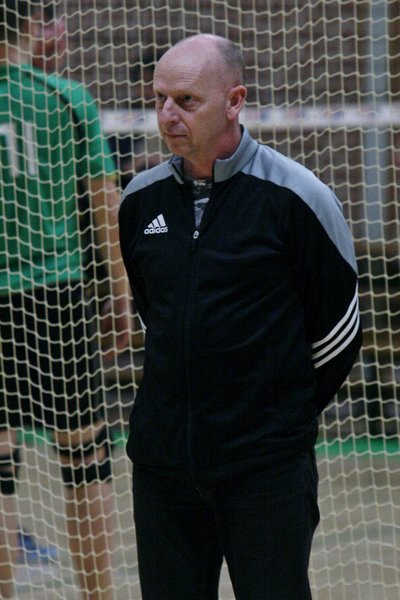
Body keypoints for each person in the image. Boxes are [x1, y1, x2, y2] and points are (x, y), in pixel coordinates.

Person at [119, 33, 362, 600]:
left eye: (186, 100)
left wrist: (276, 416)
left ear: (234, 101)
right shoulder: (139, 200)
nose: (167, 114)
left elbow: (339, 331)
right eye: (159, 99)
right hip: (162, 468)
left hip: (265, 470)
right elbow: (156, 315)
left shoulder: (298, 197)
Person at [0, 1, 131, 599]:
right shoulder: (66, 98)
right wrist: (122, 294)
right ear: (32, 25)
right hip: (57, 296)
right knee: (85, 460)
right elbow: (105, 205)